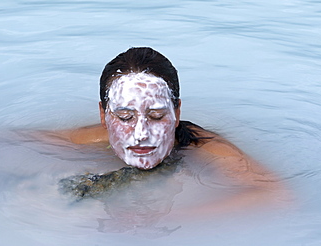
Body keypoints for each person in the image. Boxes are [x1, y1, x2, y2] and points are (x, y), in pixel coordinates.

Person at [50, 47, 284, 215]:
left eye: (156, 116)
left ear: (177, 113)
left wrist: (182, 217)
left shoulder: (209, 150)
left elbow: (276, 196)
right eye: (125, 117)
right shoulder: (93, 139)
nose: (141, 133)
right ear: (104, 116)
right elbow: (20, 142)